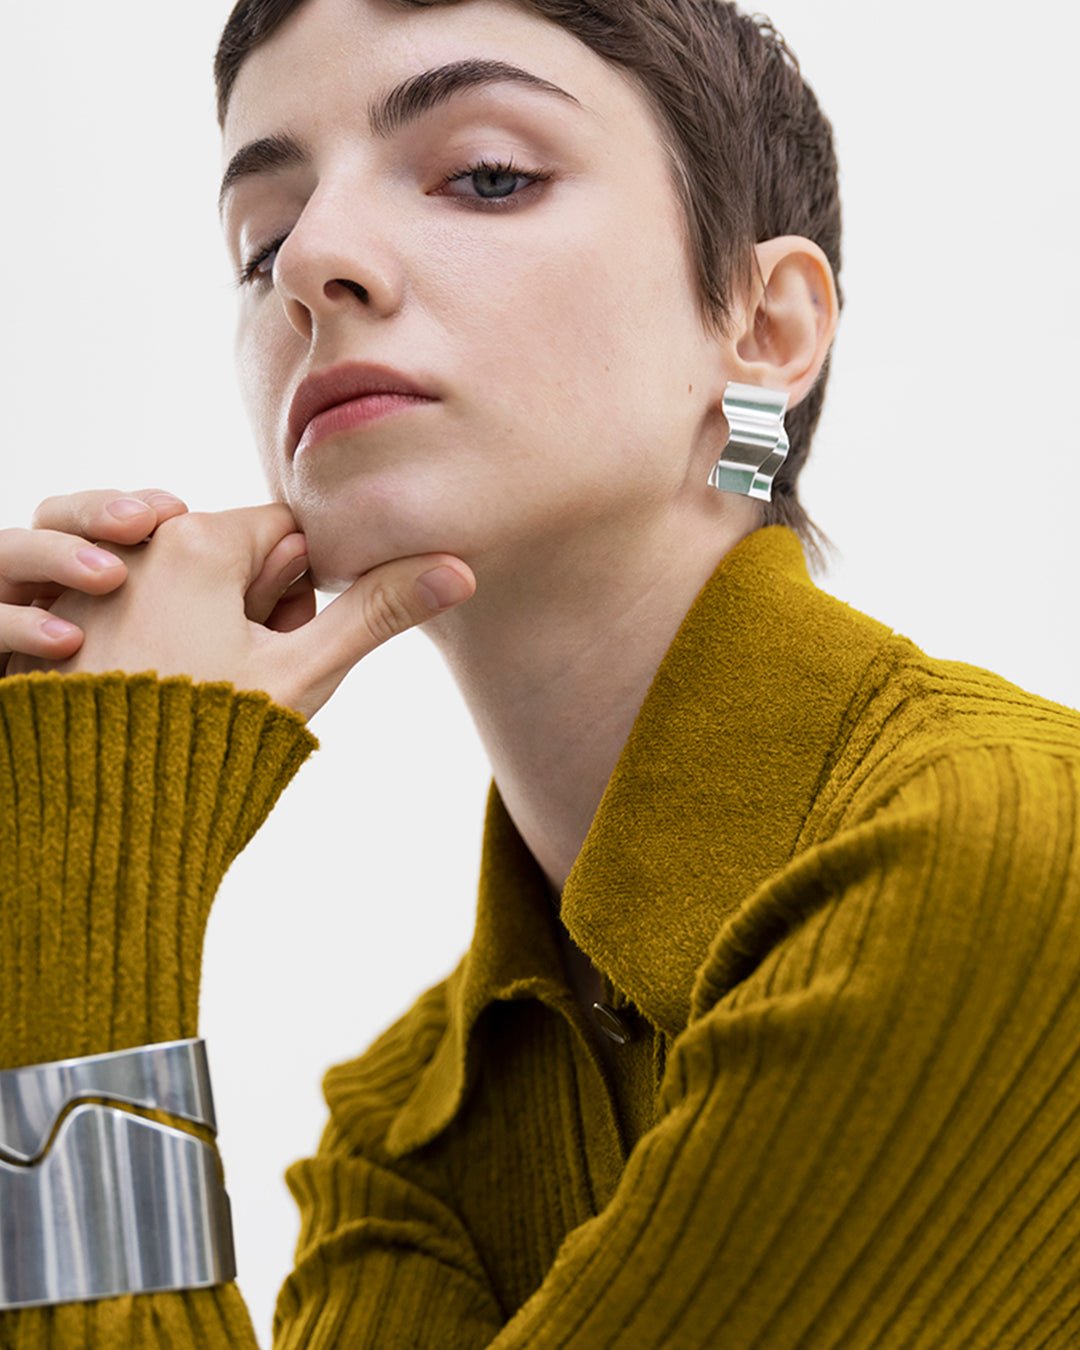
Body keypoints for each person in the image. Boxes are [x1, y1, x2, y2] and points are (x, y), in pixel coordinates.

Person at [2, 1, 1080, 1347]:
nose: (313, 263)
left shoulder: (999, 850)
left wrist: (93, 849)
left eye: (488, 175)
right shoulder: (409, 1119)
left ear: (762, 331)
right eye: (262, 242)